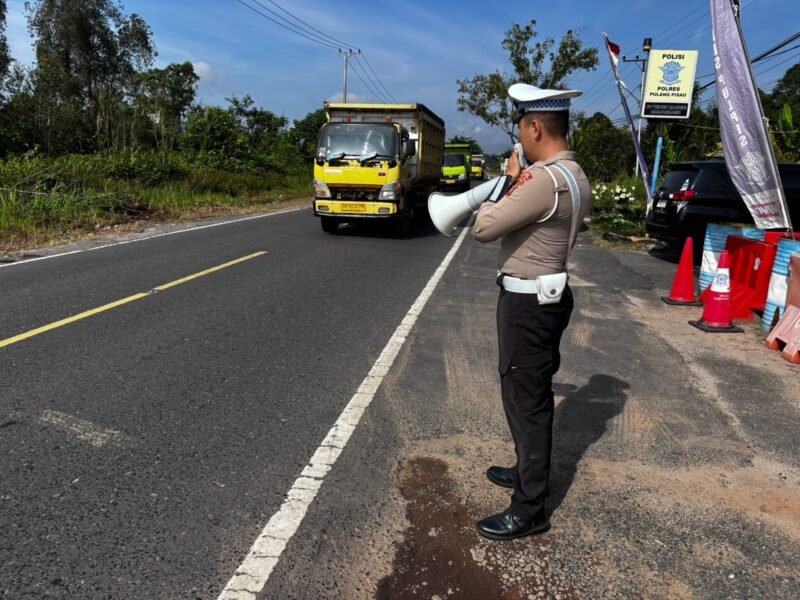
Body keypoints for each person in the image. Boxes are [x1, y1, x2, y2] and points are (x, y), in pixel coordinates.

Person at [472, 83, 591, 541]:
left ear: (535, 126)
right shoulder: (573, 174)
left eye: (521, 128)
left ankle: (529, 507)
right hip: (548, 295)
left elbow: (485, 227)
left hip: (527, 303)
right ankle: (526, 472)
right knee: (531, 392)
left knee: (526, 401)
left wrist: (506, 182)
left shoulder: (543, 180)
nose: (520, 138)